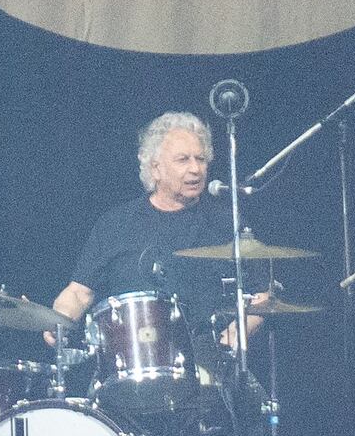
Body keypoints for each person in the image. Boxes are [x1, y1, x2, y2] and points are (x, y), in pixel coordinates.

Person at [46, 111, 275, 363]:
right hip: (130, 369)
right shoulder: (117, 223)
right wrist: (56, 322)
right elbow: (79, 293)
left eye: (201, 159)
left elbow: (261, 297)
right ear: (155, 168)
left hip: (209, 370)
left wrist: (231, 338)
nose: (195, 169)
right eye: (183, 160)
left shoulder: (226, 222)